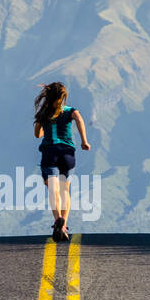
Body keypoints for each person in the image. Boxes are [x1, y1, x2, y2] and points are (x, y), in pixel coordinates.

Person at [33, 81, 90, 242]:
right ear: (63, 97)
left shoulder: (43, 113)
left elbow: (37, 134)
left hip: (50, 153)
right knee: (65, 190)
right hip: (67, 154)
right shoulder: (71, 110)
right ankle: (64, 226)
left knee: (53, 188)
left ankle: (57, 219)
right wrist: (84, 141)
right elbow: (79, 119)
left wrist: (44, 123)